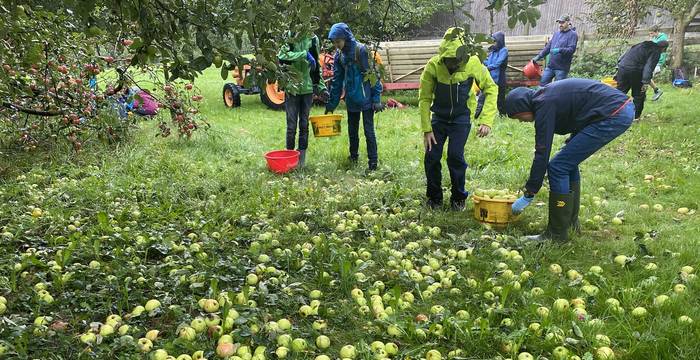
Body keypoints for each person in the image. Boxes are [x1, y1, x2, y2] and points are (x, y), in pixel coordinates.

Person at [505, 79, 634, 242]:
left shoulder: (544, 104)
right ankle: (571, 224)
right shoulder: (545, 98)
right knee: (566, 162)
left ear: (523, 106)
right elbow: (579, 111)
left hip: (613, 114)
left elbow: (542, 152)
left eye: (518, 116)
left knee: (558, 167)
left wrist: (530, 192)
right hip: (616, 109)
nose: (520, 121)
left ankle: (556, 234)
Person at [419, 27, 498, 211]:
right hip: (439, 118)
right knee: (432, 157)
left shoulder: (473, 62)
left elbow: (491, 88)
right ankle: (434, 199)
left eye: (457, 61)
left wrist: (486, 120)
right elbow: (424, 98)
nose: (453, 65)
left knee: (455, 156)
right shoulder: (433, 66)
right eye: (450, 61)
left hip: (461, 119)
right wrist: (427, 129)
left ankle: (458, 198)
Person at [325, 23, 384, 171]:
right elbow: (337, 80)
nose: (336, 45)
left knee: (368, 131)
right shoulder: (339, 55)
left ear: (345, 37)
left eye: (338, 41)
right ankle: (353, 156)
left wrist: (376, 99)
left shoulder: (361, 50)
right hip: (351, 99)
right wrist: (332, 103)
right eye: (334, 42)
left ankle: (373, 162)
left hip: (366, 99)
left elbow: (373, 75)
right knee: (352, 130)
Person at [278, 31, 327, 167]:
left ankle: (301, 163)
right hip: (291, 88)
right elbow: (282, 56)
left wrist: (322, 87)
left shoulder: (313, 39)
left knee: (304, 125)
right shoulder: (289, 36)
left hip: (307, 89)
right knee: (291, 126)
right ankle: (289, 159)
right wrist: (304, 54)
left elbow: (316, 66)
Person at [614, 40, 669, 120]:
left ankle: (611, 113)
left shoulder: (642, 44)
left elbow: (627, 53)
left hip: (622, 67)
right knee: (639, 95)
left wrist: (619, 65)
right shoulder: (656, 51)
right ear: (664, 48)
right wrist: (645, 82)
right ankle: (636, 118)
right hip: (635, 70)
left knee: (619, 92)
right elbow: (649, 67)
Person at [532, 15, 578, 86]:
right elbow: (548, 47)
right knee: (542, 85)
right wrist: (539, 56)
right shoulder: (556, 34)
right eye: (559, 22)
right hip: (550, 66)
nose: (560, 24)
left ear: (568, 22)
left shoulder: (572, 34)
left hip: (561, 68)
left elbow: (571, 50)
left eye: (562, 22)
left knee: (558, 89)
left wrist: (559, 50)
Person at [483, 32, 508, 114]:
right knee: (491, 96)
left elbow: (497, 64)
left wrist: (487, 68)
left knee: (500, 98)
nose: (494, 43)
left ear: (499, 41)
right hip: (492, 78)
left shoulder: (504, 50)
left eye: (495, 41)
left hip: (500, 78)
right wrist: (480, 59)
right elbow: (488, 62)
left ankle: (503, 115)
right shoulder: (493, 51)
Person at [648, 25, 668, 101]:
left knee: (646, 77)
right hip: (652, 60)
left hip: (658, 61)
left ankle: (656, 92)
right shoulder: (654, 38)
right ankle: (656, 91)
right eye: (650, 33)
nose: (651, 35)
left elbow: (656, 48)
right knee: (646, 77)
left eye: (652, 33)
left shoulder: (662, 38)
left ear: (657, 32)